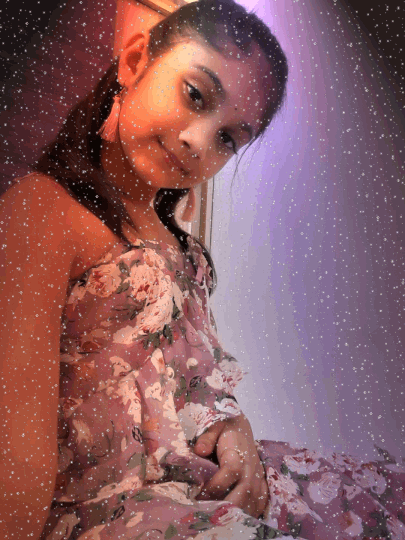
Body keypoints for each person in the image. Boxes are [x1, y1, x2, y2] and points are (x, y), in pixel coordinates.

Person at [0, 0, 404, 539]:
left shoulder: (182, 249)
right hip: (116, 511)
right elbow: (16, 455)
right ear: (135, 60)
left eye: (228, 138)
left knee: (382, 496)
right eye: (195, 94)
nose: (197, 141)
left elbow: (193, 375)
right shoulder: (44, 210)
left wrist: (235, 428)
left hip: (213, 486)